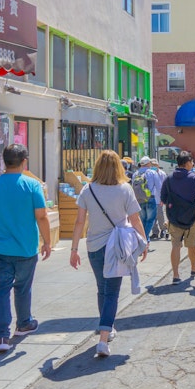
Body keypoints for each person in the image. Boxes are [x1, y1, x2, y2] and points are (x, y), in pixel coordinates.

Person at [70, 150, 148, 357]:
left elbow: (79, 222)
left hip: (94, 246)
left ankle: (106, 327)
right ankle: (104, 338)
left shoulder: (88, 190)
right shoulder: (125, 189)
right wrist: (144, 242)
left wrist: (74, 249)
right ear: (118, 167)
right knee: (112, 292)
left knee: (102, 289)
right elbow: (135, 219)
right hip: (118, 247)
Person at [0, 144, 51, 353]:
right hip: (25, 248)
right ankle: (24, 323)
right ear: (24, 161)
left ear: (4, 161)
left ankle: (1, 336)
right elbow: (42, 216)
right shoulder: (32, 186)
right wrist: (47, 241)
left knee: (1, 289)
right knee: (22, 287)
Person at [161, 151, 195, 285]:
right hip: (191, 217)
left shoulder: (168, 179)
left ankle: (176, 275)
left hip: (174, 218)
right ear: (188, 163)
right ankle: (192, 267)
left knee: (175, 246)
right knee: (191, 245)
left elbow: (163, 198)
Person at [132, 156, 162, 243]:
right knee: (151, 219)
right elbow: (159, 187)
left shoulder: (135, 174)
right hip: (150, 198)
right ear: (148, 164)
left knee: (142, 219)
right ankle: (145, 238)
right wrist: (161, 199)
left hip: (139, 200)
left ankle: (142, 238)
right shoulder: (152, 173)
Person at [150, 159, 169, 240]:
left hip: (159, 198)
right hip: (151, 198)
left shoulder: (162, 174)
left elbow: (165, 186)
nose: (153, 166)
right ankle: (155, 232)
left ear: (158, 165)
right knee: (152, 217)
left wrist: (164, 198)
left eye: (155, 165)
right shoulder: (149, 173)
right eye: (152, 165)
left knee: (160, 216)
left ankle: (163, 229)